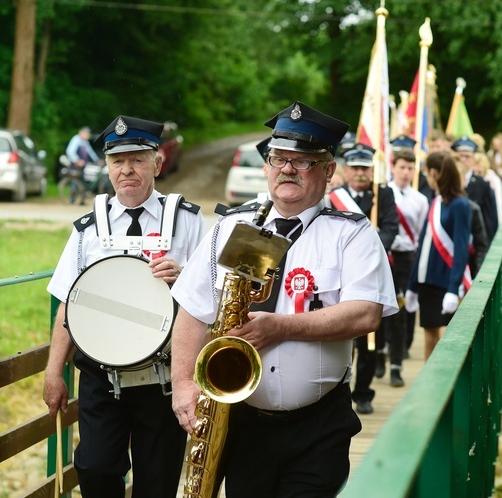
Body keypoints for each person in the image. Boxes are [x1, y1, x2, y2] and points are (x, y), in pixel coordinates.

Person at [170, 101, 398, 498]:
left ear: (328, 171)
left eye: (303, 160)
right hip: (241, 421)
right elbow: (191, 309)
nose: (287, 169)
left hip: (319, 424)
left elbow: (366, 314)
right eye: (278, 158)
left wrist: (280, 327)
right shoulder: (232, 227)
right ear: (266, 166)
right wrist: (182, 385)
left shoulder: (352, 233)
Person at [42, 115, 207, 497]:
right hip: (102, 378)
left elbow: (211, 298)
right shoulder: (87, 229)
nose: (127, 169)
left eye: (137, 159)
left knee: (158, 484)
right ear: (107, 166)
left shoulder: (188, 222)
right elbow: (69, 302)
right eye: (118, 161)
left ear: (158, 163)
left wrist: (183, 278)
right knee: (95, 469)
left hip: (164, 380)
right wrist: (54, 373)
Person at [327, 142, 399, 414]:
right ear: (345, 170)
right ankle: (339, 389)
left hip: (372, 271)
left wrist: (368, 251)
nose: (359, 173)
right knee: (341, 334)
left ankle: (364, 393)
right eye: (355, 167)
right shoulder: (334, 197)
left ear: (372, 171)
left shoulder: (383, 195)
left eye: (364, 168)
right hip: (340, 275)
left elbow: (391, 228)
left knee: (370, 338)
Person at [404, 152, 471, 360]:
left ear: (434, 173)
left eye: (426, 172)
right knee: (430, 336)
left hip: (445, 279)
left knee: (446, 338)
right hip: (427, 279)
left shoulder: (460, 204)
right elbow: (423, 243)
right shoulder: (436, 201)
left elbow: (461, 249)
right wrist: (413, 284)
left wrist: (453, 289)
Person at [381, 147, 428, 385]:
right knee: (380, 306)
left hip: (406, 255)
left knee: (404, 305)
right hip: (385, 255)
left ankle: (398, 358)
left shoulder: (420, 199)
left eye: (411, 168)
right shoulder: (382, 194)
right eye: (402, 167)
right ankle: (380, 351)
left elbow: (419, 231)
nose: (406, 172)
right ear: (393, 167)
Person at [453, 136, 498, 237]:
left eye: (467, 156)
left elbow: (489, 218)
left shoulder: (482, 184)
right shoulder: (449, 182)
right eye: (460, 156)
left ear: (474, 158)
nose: (463, 160)